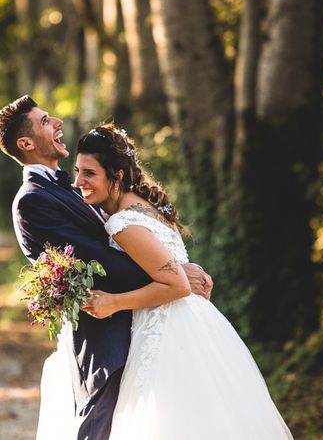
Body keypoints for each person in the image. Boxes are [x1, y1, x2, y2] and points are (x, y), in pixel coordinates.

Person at [0, 96, 213, 440]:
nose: (58, 123)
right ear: (26, 143)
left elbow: (131, 241)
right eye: (46, 121)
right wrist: (173, 273)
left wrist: (173, 266)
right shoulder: (32, 200)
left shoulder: (68, 186)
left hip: (138, 324)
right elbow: (97, 262)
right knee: (99, 430)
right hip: (102, 336)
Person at [71, 123, 294, 439]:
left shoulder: (122, 222)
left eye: (89, 174)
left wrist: (112, 302)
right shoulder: (142, 204)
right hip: (194, 323)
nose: (79, 181)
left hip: (166, 332)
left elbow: (177, 284)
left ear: (116, 175)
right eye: (77, 171)